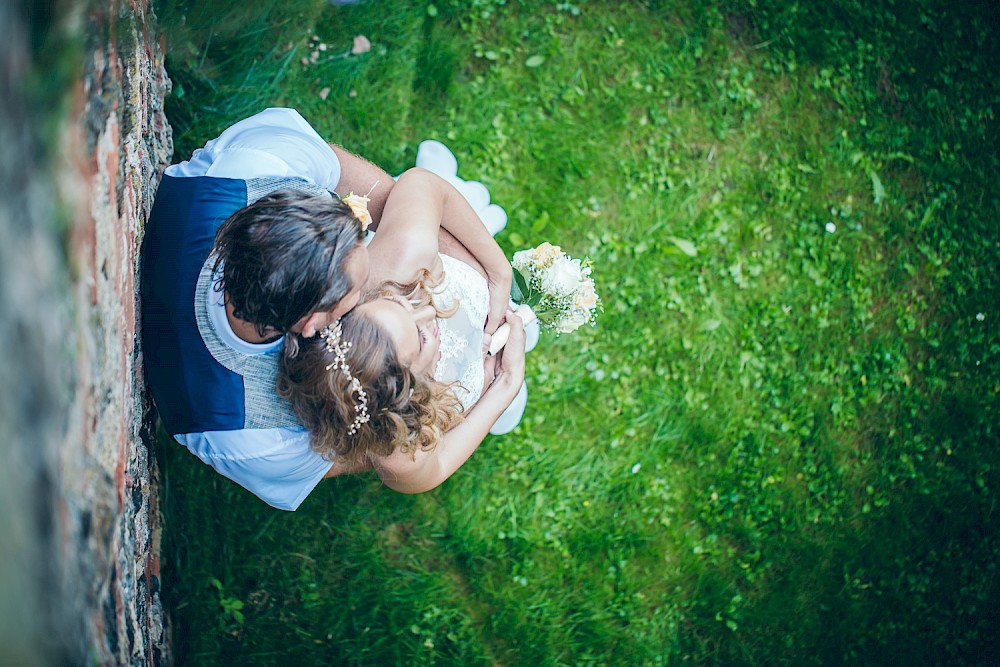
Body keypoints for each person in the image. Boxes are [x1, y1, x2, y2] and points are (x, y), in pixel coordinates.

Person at [142, 109, 514, 510]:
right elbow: (359, 442)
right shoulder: (245, 432)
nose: (370, 236)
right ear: (312, 322)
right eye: (356, 290)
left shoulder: (257, 164)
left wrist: (461, 263)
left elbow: (377, 194)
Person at [277, 167, 528, 493]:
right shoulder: (398, 443)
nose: (426, 310)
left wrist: (498, 271)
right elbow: (432, 467)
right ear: (405, 396)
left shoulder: (399, 268)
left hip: (480, 289)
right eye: (422, 336)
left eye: (399, 305)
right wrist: (504, 386)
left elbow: (423, 184)